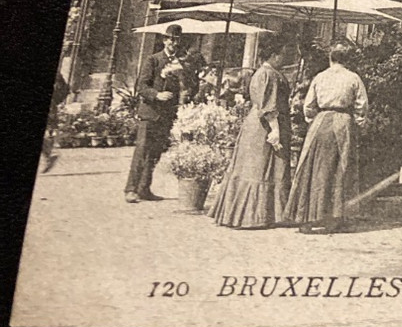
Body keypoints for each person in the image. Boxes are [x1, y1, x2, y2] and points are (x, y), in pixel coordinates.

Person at [211, 33, 299, 229]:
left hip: (258, 124)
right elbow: (268, 106)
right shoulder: (268, 74)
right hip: (265, 126)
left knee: (260, 167)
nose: (286, 58)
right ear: (274, 55)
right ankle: (252, 216)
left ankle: (255, 215)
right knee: (260, 168)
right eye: (283, 54)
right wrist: (275, 131)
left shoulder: (264, 73)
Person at [286, 39, 370, 233]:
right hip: (343, 121)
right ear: (347, 58)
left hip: (320, 121)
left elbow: (308, 106)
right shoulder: (353, 78)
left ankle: (307, 219)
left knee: (313, 168)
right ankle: (335, 218)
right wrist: (358, 121)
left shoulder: (320, 77)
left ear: (330, 57)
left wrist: (313, 120)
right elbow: (361, 105)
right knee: (340, 168)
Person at [126, 23, 197, 203]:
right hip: (150, 113)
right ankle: (131, 189)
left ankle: (144, 188)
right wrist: (157, 94)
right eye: (171, 39)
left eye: (177, 40)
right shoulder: (153, 60)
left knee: (155, 153)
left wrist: (184, 77)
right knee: (142, 151)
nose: (173, 43)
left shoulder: (181, 63)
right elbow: (141, 86)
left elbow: (189, 86)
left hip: (167, 115)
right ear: (165, 40)